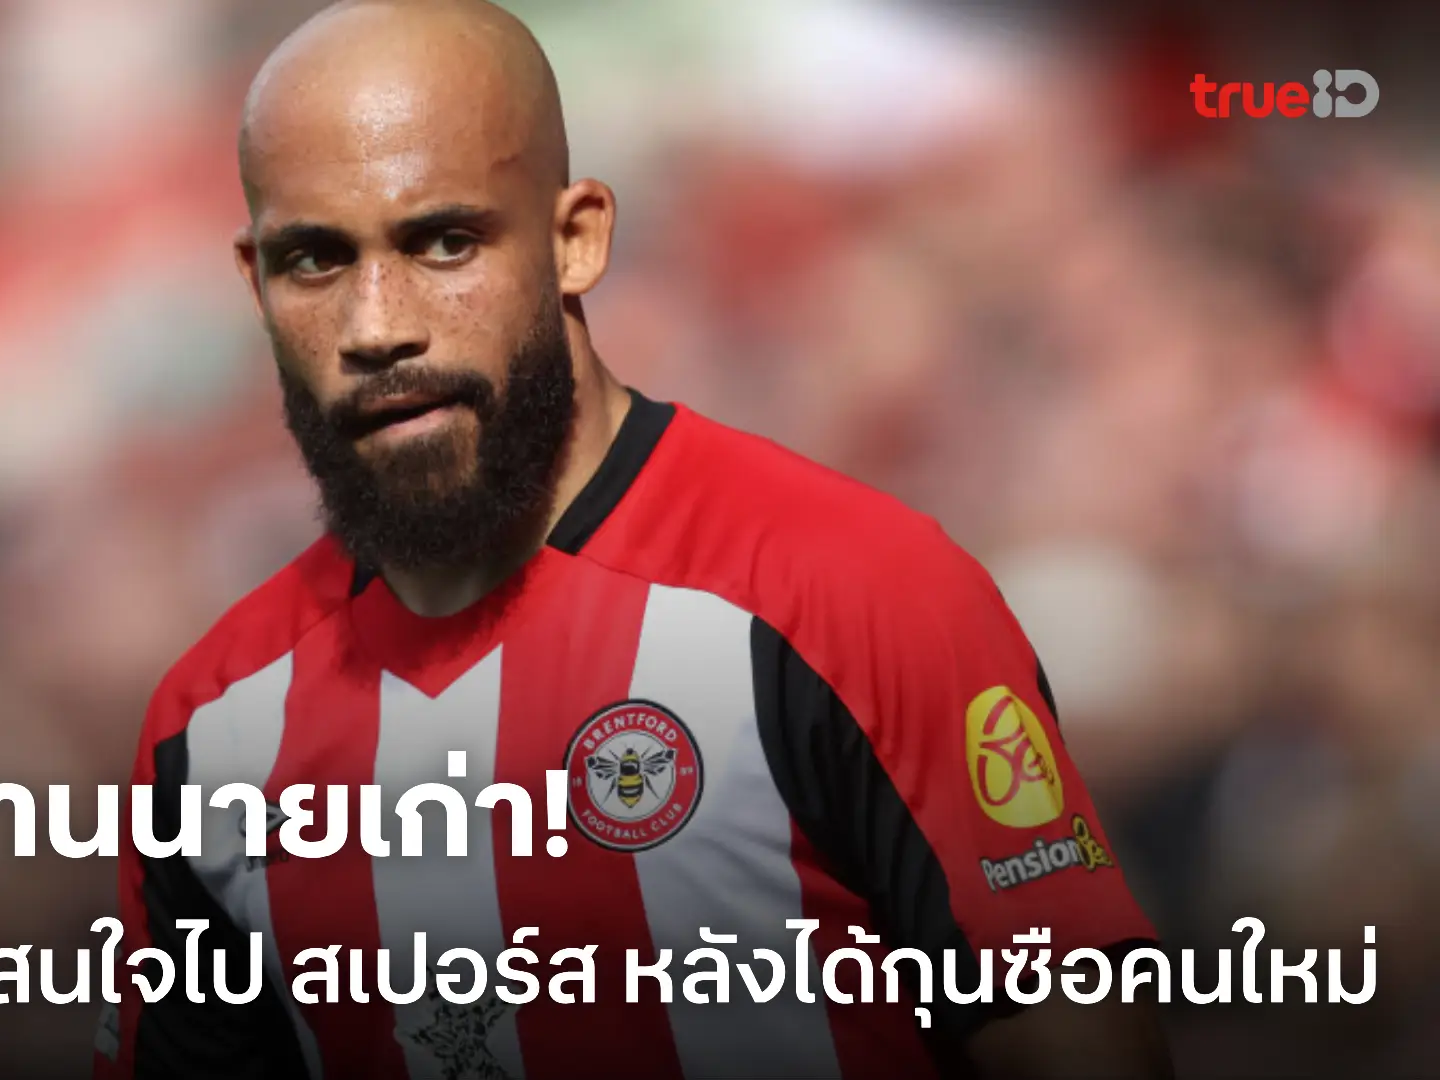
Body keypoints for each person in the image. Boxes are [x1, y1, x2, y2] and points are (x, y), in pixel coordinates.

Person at [95, 1, 1172, 1077]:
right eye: (316, 261)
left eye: (445, 242)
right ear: (256, 283)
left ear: (576, 239)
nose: (378, 325)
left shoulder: (855, 597)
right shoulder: (212, 726)